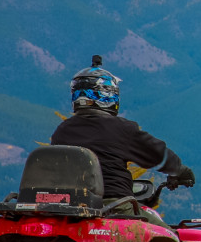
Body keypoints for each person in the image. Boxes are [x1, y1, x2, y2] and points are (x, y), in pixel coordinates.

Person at [49, 56, 192, 225]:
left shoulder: (62, 131)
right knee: (170, 237)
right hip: (113, 207)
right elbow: (156, 153)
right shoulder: (121, 129)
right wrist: (180, 170)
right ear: (109, 95)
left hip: (68, 210)